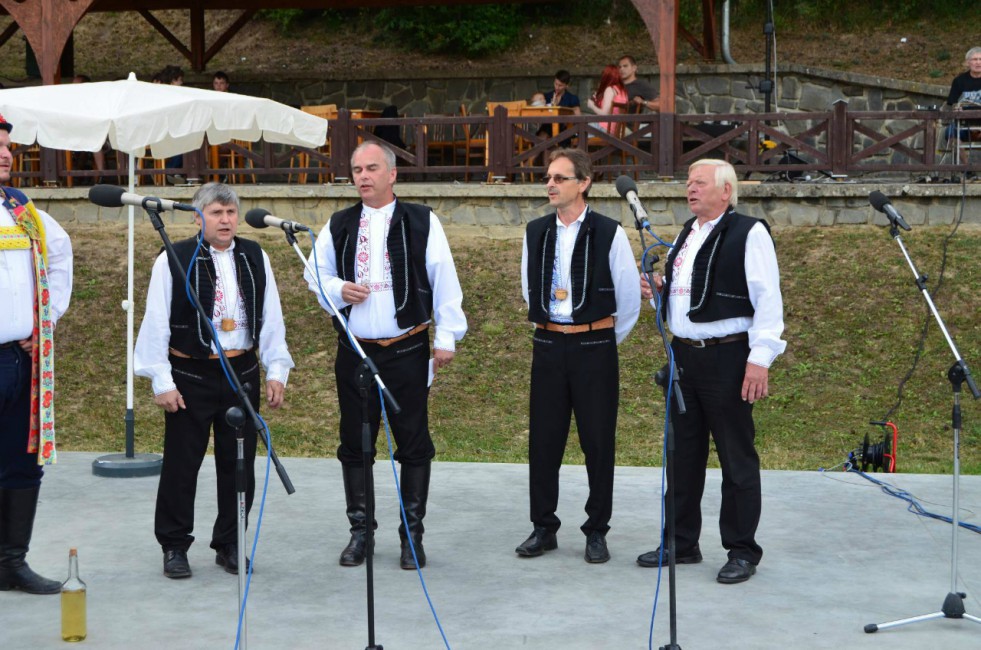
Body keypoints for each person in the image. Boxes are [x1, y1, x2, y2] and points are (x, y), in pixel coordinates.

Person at [304, 141, 466, 570]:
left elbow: (444, 277)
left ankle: (412, 536)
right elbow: (314, 271)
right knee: (355, 443)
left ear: (392, 174)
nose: (363, 176)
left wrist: (447, 336)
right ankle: (361, 533)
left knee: (413, 441)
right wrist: (338, 289)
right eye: (357, 169)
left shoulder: (421, 219)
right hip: (356, 351)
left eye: (372, 168)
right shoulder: (339, 223)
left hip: (407, 348)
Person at [636, 159, 785, 584]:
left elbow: (768, 298)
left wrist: (760, 359)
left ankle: (742, 550)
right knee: (682, 455)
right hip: (685, 356)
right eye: (689, 183)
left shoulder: (749, 232)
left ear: (726, 191)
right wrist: (658, 292)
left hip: (728, 356)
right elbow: (687, 297)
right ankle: (681, 541)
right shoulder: (688, 233)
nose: (691, 189)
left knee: (736, 457)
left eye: (700, 183)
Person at [134, 182, 294, 580]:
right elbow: (155, 320)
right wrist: (161, 380)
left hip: (241, 372)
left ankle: (230, 543)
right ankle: (174, 545)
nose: (225, 220)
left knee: (238, 464)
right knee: (181, 464)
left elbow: (271, 316)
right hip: (190, 373)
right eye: (216, 213)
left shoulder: (255, 256)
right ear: (198, 217)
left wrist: (276, 369)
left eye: (230, 213)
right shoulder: (173, 257)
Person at [516, 148, 640, 564]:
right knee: (543, 441)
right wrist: (558, 328)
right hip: (549, 344)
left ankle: (596, 529)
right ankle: (543, 526)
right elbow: (528, 289)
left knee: (598, 442)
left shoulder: (609, 232)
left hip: (594, 346)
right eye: (547, 178)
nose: (550, 184)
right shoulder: (536, 231)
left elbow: (628, 298)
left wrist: (598, 338)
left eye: (560, 178)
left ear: (584, 183)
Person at [0, 114, 74, 595]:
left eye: (7, 146)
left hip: (21, 359)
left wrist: (46, 319)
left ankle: (11, 563)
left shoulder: (22, 209)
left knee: (22, 460)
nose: (6, 154)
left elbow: (61, 253)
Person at [586, 64, 628, 134]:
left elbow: (604, 114)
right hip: (615, 130)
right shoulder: (623, 91)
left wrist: (592, 106)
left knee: (579, 129)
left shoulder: (610, 89)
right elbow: (613, 111)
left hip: (604, 128)